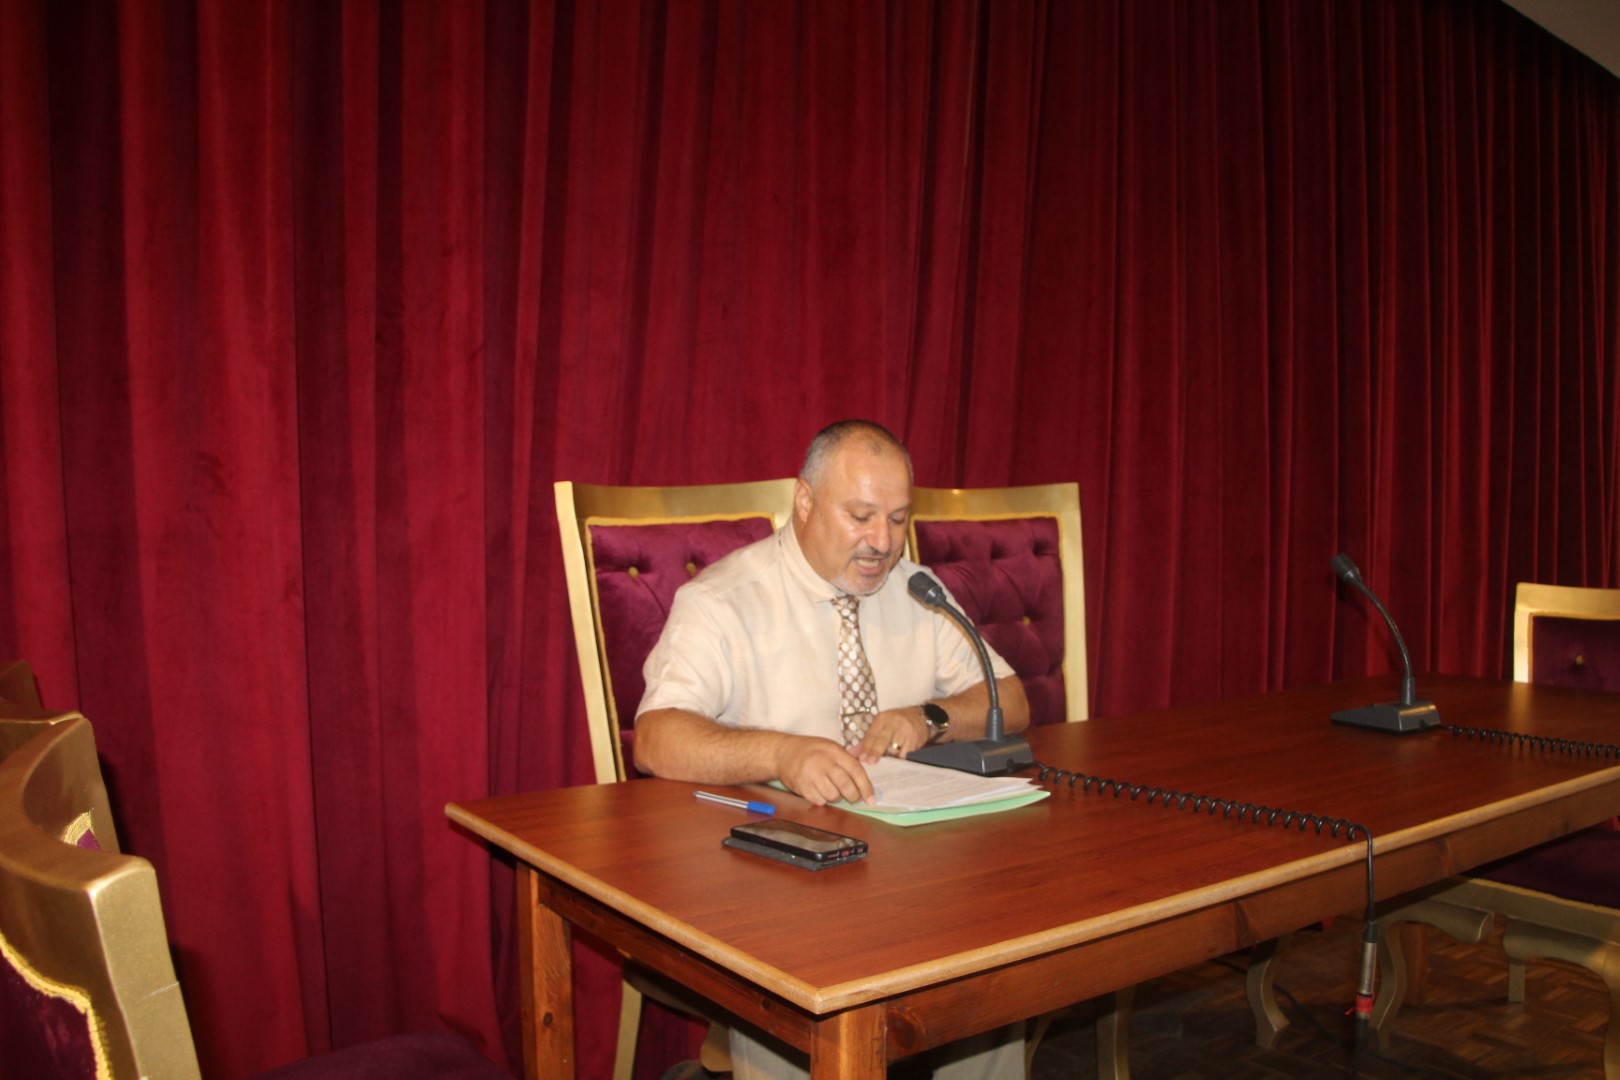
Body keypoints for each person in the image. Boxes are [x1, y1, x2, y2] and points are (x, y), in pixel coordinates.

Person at [635, 419, 1030, 1079]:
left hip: (907, 875)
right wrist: (781, 754)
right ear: (805, 501)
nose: (883, 542)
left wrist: (930, 716)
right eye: (861, 517)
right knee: (796, 982)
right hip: (769, 885)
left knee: (992, 965)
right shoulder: (722, 601)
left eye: (898, 519)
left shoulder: (915, 590)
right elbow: (656, 738)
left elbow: (1009, 699)